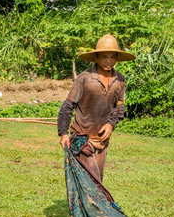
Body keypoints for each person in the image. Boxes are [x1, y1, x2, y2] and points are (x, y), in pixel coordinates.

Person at [57, 34, 135, 182]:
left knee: (97, 180)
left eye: (112, 57)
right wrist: (63, 133)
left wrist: (110, 125)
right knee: (92, 181)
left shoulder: (120, 80)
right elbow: (67, 107)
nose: (108, 61)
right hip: (82, 138)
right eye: (104, 57)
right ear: (96, 58)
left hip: (102, 140)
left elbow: (120, 108)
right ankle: (90, 205)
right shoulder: (84, 78)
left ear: (117, 58)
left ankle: (89, 205)